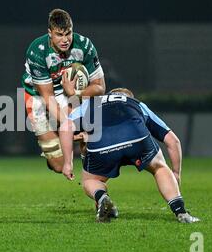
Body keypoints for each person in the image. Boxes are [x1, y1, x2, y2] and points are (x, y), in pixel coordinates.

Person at [59, 88, 200, 223]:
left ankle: (102, 198)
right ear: (128, 97)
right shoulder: (136, 104)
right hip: (136, 137)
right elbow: (172, 140)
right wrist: (175, 173)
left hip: (103, 143)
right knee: (159, 168)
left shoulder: (91, 103)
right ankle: (181, 212)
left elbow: (65, 127)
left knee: (90, 181)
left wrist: (67, 163)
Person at [22, 9, 106, 173]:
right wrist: (68, 124)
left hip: (69, 95)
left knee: (90, 128)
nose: (65, 40)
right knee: (59, 166)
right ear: (50, 33)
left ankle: (76, 141)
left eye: (68, 33)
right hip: (38, 97)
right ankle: (62, 144)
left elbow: (100, 87)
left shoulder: (84, 45)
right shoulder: (37, 51)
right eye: (59, 34)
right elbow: (47, 97)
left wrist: (77, 94)